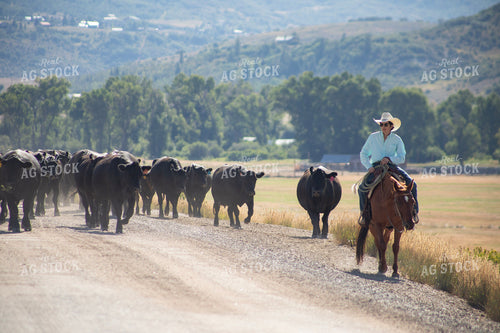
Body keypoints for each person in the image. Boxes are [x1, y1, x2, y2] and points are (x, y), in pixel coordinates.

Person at [358, 112, 418, 226]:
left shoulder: (397, 139)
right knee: (361, 189)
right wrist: (369, 167)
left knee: (412, 184)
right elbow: (363, 154)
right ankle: (364, 215)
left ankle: (414, 213)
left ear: (391, 126)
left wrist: (389, 159)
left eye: (386, 125)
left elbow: (401, 157)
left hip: (392, 166)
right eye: (381, 125)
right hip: (376, 167)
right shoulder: (373, 137)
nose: (383, 127)